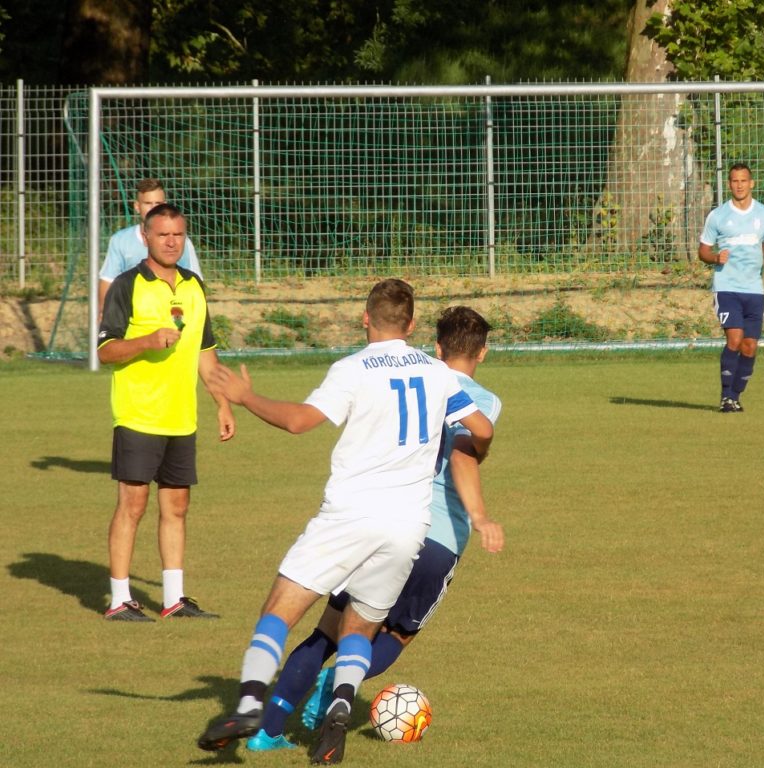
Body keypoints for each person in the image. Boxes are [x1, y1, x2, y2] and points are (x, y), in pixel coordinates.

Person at [197, 279, 494, 765]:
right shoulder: (438, 374)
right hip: (407, 528)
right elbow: (480, 430)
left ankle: (250, 706)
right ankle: (338, 711)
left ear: (364, 318)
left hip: (350, 515)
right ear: (413, 324)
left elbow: (299, 421)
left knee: (281, 609)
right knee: (362, 626)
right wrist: (478, 450)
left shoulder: (353, 369)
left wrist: (247, 398)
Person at [98, 203, 235, 622]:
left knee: (177, 507)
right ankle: (119, 599)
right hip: (139, 414)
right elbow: (105, 350)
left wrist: (222, 404)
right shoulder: (127, 285)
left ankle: (174, 599)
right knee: (133, 505)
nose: (172, 241)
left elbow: (205, 354)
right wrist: (145, 341)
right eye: (163, 234)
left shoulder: (194, 286)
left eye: (178, 234)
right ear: (145, 236)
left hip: (182, 417)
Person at [697, 162, 764, 413]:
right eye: (734, 181)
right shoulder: (718, 216)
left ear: (751, 183)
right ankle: (725, 397)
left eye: (743, 181)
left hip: (754, 288)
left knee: (750, 346)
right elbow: (703, 251)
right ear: (729, 184)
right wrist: (714, 258)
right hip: (727, 287)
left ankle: (736, 396)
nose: (739, 185)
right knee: (735, 339)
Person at [98, 178, 203, 316]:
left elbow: (195, 283)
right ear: (137, 206)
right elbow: (108, 282)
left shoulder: (180, 242)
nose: (154, 208)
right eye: (148, 203)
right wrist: (104, 317)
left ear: (165, 205)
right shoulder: (120, 240)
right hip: (131, 314)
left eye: (158, 203)